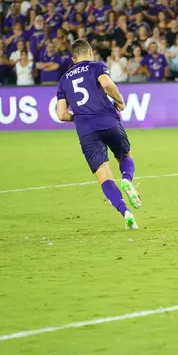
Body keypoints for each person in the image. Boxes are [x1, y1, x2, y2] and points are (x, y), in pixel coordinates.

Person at [55, 39, 142, 229]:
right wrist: (119, 100)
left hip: (86, 131)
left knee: (104, 174)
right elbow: (107, 84)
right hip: (108, 120)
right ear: (91, 53)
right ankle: (127, 180)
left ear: (73, 58)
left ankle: (125, 212)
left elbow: (61, 114)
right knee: (125, 155)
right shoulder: (96, 66)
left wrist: (78, 117)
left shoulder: (63, 80)